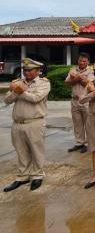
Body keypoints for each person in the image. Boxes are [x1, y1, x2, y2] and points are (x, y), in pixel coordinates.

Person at [3, 58, 51, 192]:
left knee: (36, 151)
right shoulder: (18, 83)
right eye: (25, 70)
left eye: (30, 70)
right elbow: (6, 100)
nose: (26, 72)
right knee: (21, 151)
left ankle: (37, 175)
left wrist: (21, 91)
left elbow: (36, 98)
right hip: (18, 123)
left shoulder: (43, 83)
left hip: (34, 122)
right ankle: (22, 176)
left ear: (37, 71)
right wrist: (15, 91)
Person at [65, 52, 94, 153]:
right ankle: (79, 143)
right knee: (77, 122)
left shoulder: (91, 71)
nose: (81, 62)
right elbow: (67, 82)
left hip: (86, 101)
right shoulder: (72, 70)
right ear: (77, 60)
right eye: (80, 60)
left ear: (88, 62)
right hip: (74, 100)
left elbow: (89, 84)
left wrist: (76, 77)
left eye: (84, 61)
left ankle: (87, 143)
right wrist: (77, 78)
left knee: (88, 123)